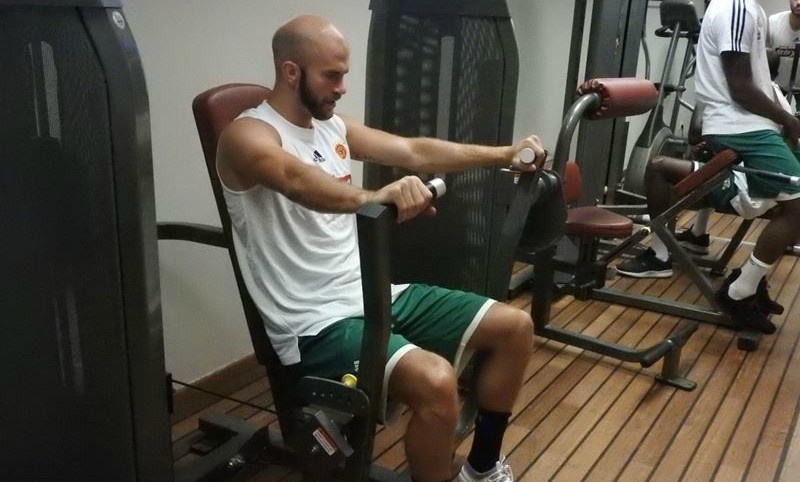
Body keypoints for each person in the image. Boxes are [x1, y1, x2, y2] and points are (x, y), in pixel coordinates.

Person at [216, 15, 545, 482]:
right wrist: (372, 198)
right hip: (312, 324)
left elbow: (413, 151)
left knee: (515, 328)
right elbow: (292, 177)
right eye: (331, 75)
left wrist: (505, 154)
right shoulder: (247, 135)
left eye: (344, 74)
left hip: (371, 295)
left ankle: (482, 469)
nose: (342, 87)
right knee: (436, 383)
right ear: (291, 72)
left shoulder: (331, 128)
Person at [616, 0, 800, 335]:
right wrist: (788, 121)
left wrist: (785, 121)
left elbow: (755, 80)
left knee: (787, 203)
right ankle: (739, 291)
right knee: (797, 207)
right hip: (743, 127)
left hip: (752, 125)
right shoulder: (736, 7)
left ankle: (748, 281)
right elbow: (740, 87)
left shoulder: (750, 9)